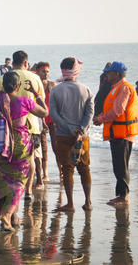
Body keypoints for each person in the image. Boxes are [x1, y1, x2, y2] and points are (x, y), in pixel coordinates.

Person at [0, 72, 48, 231]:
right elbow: (44, 113)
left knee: (3, 179)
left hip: (0, 144)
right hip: (20, 146)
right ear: (17, 86)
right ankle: (7, 216)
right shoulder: (25, 101)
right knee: (19, 182)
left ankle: (8, 215)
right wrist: (37, 94)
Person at [0, 51, 45, 199]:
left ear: (12, 63)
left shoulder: (4, 77)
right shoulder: (35, 77)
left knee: (9, 158)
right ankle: (28, 190)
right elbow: (41, 104)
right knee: (31, 158)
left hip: (9, 126)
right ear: (26, 62)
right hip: (31, 125)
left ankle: (11, 189)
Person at [93, 62, 138, 205]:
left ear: (117, 74)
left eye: (109, 72)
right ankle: (122, 195)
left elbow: (118, 110)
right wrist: (100, 117)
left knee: (121, 165)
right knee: (118, 164)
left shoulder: (124, 88)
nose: (106, 75)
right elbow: (112, 108)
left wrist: (101, 119)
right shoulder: (116, 88)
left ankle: (123, 197)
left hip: (123, 134)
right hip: (116, 133)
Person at [50, 57, 94, 212]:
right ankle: (88, 202)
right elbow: (89, 114)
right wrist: (80, 130)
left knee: (67, 169)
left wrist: (70, 130)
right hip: (83, 137)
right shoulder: (87, 90)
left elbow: (54, 115)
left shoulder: (56, 90)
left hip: (63, 135)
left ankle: (70, 204)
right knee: (84, 168)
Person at [35, 62, 57, 182]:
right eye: (43, 71)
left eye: (47, 71)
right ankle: (45, 174)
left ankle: (61, 173)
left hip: (52, 120)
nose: (46, 73)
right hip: (39, 119)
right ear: (38, 72)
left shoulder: (52, 85)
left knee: (56, 146)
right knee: (43, 148)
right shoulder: (35, 84)